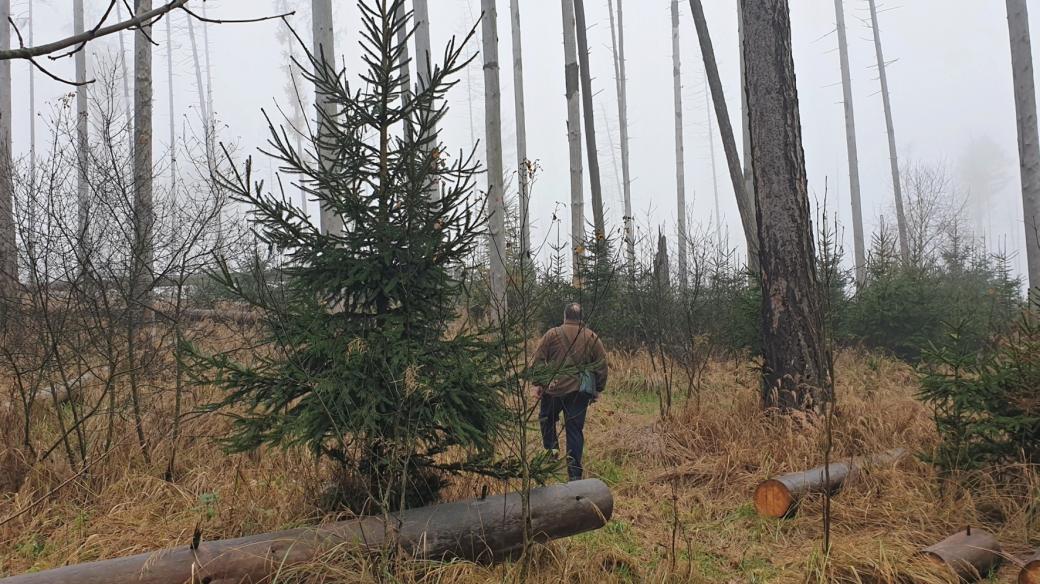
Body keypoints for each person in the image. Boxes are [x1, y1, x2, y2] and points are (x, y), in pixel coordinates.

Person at [532, 302, 608, 481]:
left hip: (553, 389)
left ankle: (552, 451)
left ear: (564, 316)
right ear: (581, 318)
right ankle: (574, 474)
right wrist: (598, 388)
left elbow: (538, 360)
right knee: (574, 431)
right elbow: (602, 365)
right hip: (578, 392)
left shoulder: (551, 334)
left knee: (546, 419)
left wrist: (540, 383)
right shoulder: (591, 337)